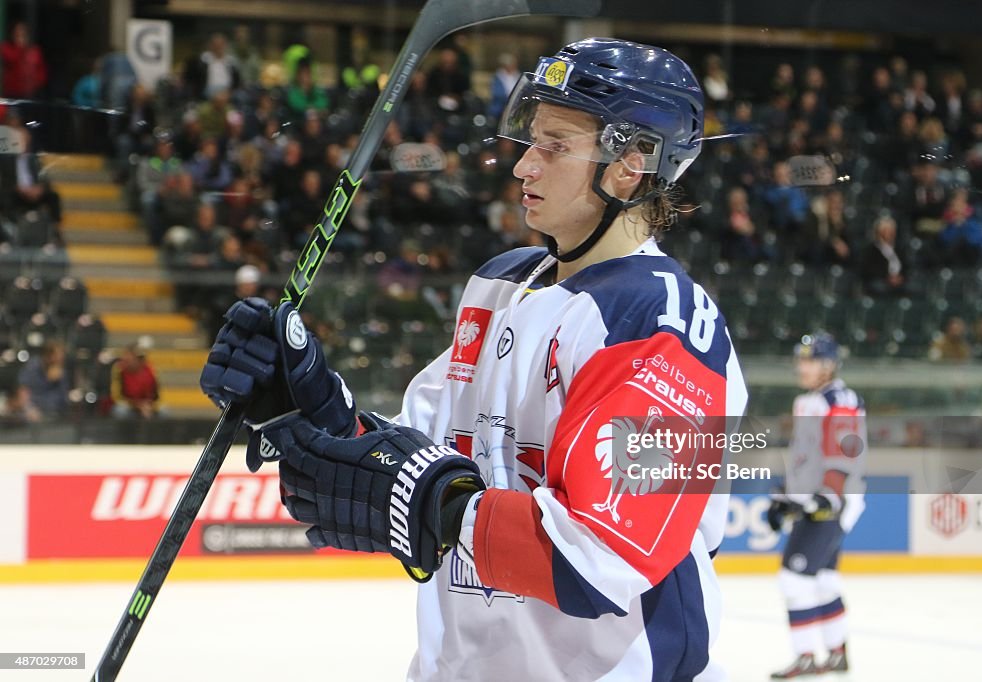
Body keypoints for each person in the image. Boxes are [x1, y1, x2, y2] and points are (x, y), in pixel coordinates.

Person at [200, 38, 748, 681]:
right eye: (530, 141)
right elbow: (417, 456)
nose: (524, 167)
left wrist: (439, 504)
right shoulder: (502, 283)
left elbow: (599, 560)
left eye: (555, 145)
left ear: (631, 163)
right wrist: (306, 398)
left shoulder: (662, 323)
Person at [768, 333, 866, 678]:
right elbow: (804, 457)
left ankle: (807, 655)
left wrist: (829, 494)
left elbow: (844, 450)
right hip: (820, 499)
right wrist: (786, 496)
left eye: (808, 360)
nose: (801, 366)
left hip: (831, 502)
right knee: (822, 579)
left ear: (827, 364)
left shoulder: (839, 397)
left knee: (793, 579)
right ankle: (837, 653)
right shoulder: (811, 400)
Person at [110, 343, 161, 419]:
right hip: (129, 406)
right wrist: (138, 405)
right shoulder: (120, 369)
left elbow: (157, 396)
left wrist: (149, 405)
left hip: (147, 407)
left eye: (140, 358)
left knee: (165, 412)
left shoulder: (150, 370)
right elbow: (116, 397)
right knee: (120, 410)